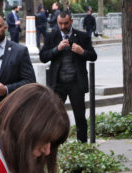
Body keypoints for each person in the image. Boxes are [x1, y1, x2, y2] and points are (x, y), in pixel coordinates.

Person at [40, 9, 96, 142]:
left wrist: (82, 52)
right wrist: (56, 49)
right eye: (60, 23)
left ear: (71, 21)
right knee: (54, 116)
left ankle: (82, 146)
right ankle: (54, 145)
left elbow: (93, 56)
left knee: (80, 117)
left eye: (65, 23)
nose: (63, 26)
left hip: (76, 83)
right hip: (58, 83)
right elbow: (43, 57)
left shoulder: (82, 36)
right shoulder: (52, 36)